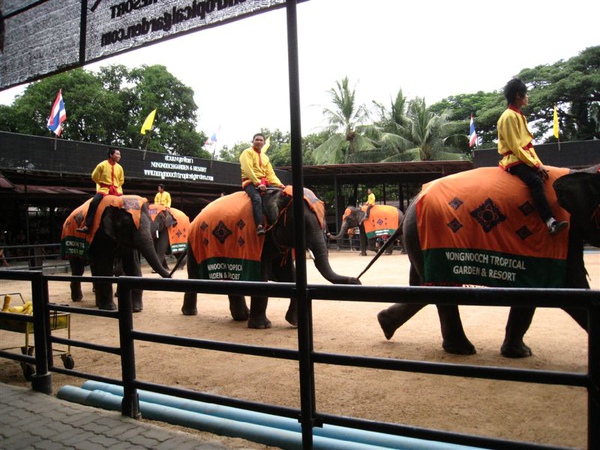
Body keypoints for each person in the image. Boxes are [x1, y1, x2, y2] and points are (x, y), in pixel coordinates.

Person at [497, 79, 568, 237]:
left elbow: (528, 146)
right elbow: (516, 147)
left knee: (545, 176)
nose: (527, 97)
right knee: (535, 182)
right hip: (514, 160)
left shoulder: (519, 115)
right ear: (518, 95)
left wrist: (539, 164)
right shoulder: (509, 116)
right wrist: (535, 166)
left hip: (523, 157)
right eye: (525, 94)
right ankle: (550, 222)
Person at [239, 133, 285, 236]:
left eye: (261, 140)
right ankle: (259, 225)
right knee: (256, 198)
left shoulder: (265, 157)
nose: (259, 142)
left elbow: (270, 174)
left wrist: (280, 185)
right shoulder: (247, 152)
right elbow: (248, 170)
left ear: (264, 143)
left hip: (264, 183)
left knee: (281, 196)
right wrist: (258, 183)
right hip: (250, 182)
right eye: (257, 140)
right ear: (253, 141)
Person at [77, 148, 124, 234]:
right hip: (104, 190)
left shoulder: (120, 168)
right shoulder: (101, 165)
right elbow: (94, 177)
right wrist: (104, 184)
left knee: (126, 205)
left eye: (119, 154)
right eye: (117, 154)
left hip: (117, 191)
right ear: (111, 155)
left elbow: (121, 181)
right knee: (94, 203)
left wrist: (115, 187)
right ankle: (87, 225)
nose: (119, 156)